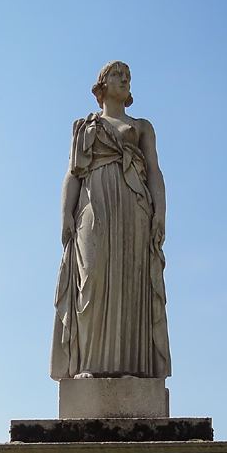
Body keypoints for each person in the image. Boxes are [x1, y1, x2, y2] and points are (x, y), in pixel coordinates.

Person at [50, 61, 172, 380]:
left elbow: (155, 172)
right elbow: (73, 173)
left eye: (128, 77)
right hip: (93, 203)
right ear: (102, 86)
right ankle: (86, 365)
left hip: (134, 207)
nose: (124, 80)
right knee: (90, 280)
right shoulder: (85, 127)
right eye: (117, 75)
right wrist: (65, 212)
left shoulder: (143, 126)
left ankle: (133, 367)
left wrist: (161, 211)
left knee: (130, 281)